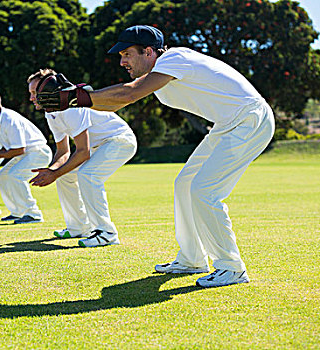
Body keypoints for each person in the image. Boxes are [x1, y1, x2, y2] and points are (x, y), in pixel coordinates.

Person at [36, 25, 275, 287]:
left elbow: (129, 93)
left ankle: (231, 267)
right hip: (228, 124)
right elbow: (118, 102)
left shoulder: (175, 59)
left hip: (250, 119)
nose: (122, 61)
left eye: (127, 54)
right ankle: (192, 259)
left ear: (149, 51)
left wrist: (78, 97)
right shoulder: (159, 75)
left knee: (203, 191)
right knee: (184, 184)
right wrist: (75, 100)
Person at [27, 69, 137, 248]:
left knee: (88, 174)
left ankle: (106, 233)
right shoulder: (51, 112)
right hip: (97, 146)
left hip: (120, 140)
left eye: (34, 93)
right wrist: (52, 170)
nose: (31, 98)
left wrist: (54, 173)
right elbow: (63, 151)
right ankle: (78, 226)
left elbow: (83, 152)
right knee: (65, 176)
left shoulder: (71, 108)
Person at [0, 90, 52, 224]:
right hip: (27, 154)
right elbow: (8, 148)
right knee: (3, 176)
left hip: (39, 152)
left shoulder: (9, 119)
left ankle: (33, 214)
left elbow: (19, 149)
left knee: (14, 175)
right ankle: (18, 212)